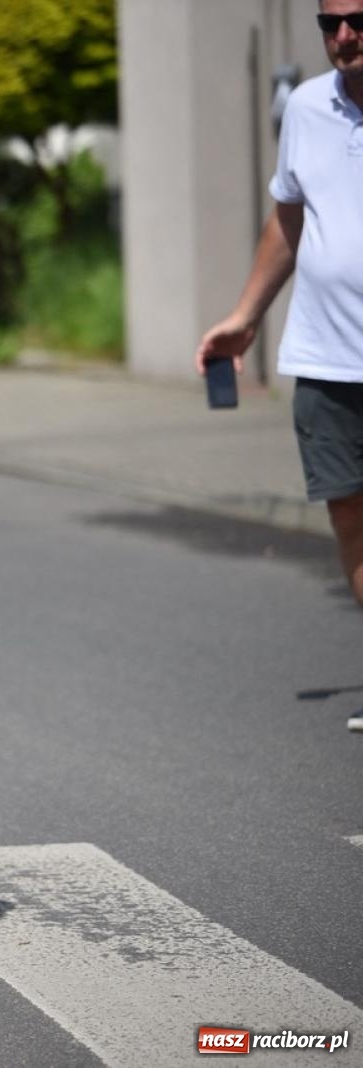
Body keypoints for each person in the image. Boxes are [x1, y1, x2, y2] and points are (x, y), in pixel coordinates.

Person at [195, 0, 363, 730]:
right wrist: (245, 317)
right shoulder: (306, 107)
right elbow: (289, 216)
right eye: (330, 22)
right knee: (353, 524)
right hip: (326, 359)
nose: (345, 36)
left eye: (360, 19)